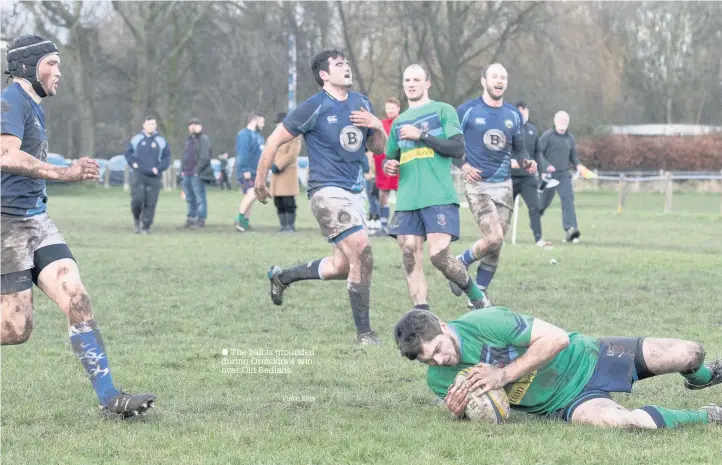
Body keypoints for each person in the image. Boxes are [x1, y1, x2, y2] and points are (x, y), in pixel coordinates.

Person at [1, 34, 155, 417]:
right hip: (7, 225)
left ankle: (110, 399)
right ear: (27, 66)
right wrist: (63, 172)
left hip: (37, 220)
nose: (58, 72)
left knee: (77, 298)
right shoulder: (10, 101)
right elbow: (5, 155)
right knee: (16, 330)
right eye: (51, 64)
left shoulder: (33, 106)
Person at [393, 308, 721, 428]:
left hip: (590, 356)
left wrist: (503, 375)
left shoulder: (486, 321)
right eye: (427, 360)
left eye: (437, 350)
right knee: (624, 423)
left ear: (442, 325)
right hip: (564, 404)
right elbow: (485, 410)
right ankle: (708, 416)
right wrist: (457, 411)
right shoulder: (438, 379)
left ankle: (702, 378)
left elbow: (558, 338)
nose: (439, 362)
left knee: (690, 352)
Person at [255, 49, 387, 345]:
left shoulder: (361, 103)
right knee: (363, 252)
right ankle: (364, 334)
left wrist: (376, 125)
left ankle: (283, 276)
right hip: (326, 192)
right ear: (324, 75)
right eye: (339, 64)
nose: (347, 67)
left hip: (355, 194)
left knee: (344, 266)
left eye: (347, 63)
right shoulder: (313, 107)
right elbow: (274, 140)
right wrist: (259, 181)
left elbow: (378, 149)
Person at [382, 64, 488, 311]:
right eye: (407, 79)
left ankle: (476, 296)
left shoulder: (443, 110)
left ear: (427, 83)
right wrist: (389, 165)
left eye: (416, 79)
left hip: (438, 196)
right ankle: (423, 316)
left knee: (439, 257)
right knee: (409, 255)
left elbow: (457, 149)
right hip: (407, 199)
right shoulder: (398, 122)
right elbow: (390, 157)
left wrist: (422, 135)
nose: (411, 84)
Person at [450, 63, 537, 307]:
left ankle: (478, 295)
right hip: (478, 185)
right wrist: (463, 165)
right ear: (483, 81)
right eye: (495, 76)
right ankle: (462, 261)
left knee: (495, 246)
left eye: (504, 77)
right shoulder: (467, 110)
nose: (499, 81)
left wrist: (526, 162)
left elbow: (519, 149)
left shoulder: (513, 115)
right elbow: (451, 142)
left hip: (504, 186)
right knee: (494, 237)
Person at [511, 101, 554, 247]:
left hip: (528, 178)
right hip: (508, 177)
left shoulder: (532, 130)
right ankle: (496, 240)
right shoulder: (507, 128)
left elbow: (537, 152)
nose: (521, 112)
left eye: (524, 110)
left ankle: (539, 239)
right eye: (518, 110)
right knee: (503, 210)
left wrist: (541, 172)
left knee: (534, 207)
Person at [538, 111, 582, 243]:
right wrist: (546, 166)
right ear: (555, 121)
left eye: (565, 120)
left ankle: (571, 230)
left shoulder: (570, 138)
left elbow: (573, 156)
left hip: (564, 175)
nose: (563, 122)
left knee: (568, 200)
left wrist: (579, 166)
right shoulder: (547, 136)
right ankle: (535, 224)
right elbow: (538, 153)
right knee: (542, 204)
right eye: (561, 120)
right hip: (549, 176)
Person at [124, 115, 171, 234]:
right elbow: (128, 154)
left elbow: (166, 158)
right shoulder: (136, 139)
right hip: (138, 174)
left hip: (154, 176)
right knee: (137, 200)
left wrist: (159, 168)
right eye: (149, 124)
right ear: (144, 125)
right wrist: (133, 164)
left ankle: (146, 226)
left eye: (154, 124)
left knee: (151, 202)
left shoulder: (161, 141)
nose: (151, 126)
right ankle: (136, 219)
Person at [371, 97, 401, 236]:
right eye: (388, 108)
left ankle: (398, 225)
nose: (390, 111)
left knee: (402, 197)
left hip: (400, 166)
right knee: (383, 196)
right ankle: (383, 226)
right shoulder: (381, 124)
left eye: (392, 108)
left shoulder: (403, 123)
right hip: (383, 167)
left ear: (398, 109)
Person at [269, 112, 302, 232]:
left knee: (288, 201)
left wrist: (279, 165)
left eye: (280, 123)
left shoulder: (295, 136)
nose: (278, 126)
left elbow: (292, 154)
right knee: (278, 201)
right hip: (276, 174)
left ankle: (290, 225)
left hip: (287, 173)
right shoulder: (273, 136)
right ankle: (282, 225)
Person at [181, 117, 215, 228]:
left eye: (195, 124)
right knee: (190, 197)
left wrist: (197, 171)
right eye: (191, 124)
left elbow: (205, 157)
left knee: (200, 197)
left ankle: (201, 219)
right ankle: (191, 218)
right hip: (187, 173)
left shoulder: (203, 139)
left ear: (201, 126)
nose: (193, 126)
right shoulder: (189, 140)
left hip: (197, 174)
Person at [234, 112, 265, 232]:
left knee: (252, 197)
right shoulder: (244, 135)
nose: (263, 125)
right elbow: (242, 154)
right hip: (246, 171)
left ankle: (245, 222)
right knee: (251, 194)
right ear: (253, 120)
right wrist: (244, 169)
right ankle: (240, 219)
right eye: (261, 122)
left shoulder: (258, 136)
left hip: (256, 172)